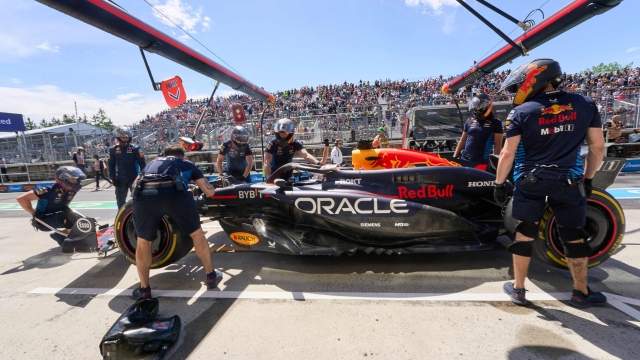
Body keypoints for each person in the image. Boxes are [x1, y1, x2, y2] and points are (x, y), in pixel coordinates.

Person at [494, 58, 606, 308]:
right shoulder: (585, 103)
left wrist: (499, 184)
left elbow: (507, 153)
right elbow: (598, 147)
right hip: (569, 180)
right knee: (573, 236)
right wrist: (588, 179)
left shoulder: (521, 111)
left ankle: (519, 289)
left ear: (533, 80)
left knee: (525, 233)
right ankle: (581, 292)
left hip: (530, 180)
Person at [131, 144, 220, 298]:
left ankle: (144, 289)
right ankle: (211, 276)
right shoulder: (185, 163)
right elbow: (209, 191)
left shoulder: (152, 162)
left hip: (144, 196)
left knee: (143, 242)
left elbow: (134, 186)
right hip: (175, 196)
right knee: (197, 235)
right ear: (182, 155)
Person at [16, 166, 86, 245]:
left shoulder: (72, 191)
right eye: (72, 179)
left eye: (76, 178)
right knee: (69, 215)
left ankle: (59, 236)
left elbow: (66, 205)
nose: (75, 181)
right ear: (63, 179)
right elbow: (21, 199)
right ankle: (74, 240)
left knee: (85, 220)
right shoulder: (48, 190)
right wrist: (34, 213)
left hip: (57, 217)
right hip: (43, 220)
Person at [263, 119, 328, 181]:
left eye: (285, 132)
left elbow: (305, 155)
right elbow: (266, 162)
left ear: (290, 133)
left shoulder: (295, 142)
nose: (282, 134)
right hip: (274, 173)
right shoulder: (272, 143)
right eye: (281, 132)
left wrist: (319, 164)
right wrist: (269, 178)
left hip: (288, 172)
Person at [453, 94, 503, 162]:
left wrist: (496, 163)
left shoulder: (496, 122)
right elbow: (462, 140)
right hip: (464, 160)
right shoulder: (469, 121)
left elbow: (498, 144)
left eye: (477, 105)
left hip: (482, 162)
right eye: (474, 105)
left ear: (484, 106)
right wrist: (454, 157)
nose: (475, 107)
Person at [108, 126, 146, 209]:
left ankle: (137, 217)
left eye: (127, 137)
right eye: (123, 137)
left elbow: (142, 164)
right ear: (118, 138)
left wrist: (142, 177)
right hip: (120, 179)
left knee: (138, 198)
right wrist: (113, 178)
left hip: (134, 178)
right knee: (120, 200)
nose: (125, 139)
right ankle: (121, 219)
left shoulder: (136, 149)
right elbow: (111, 165)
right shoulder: (113, 150)